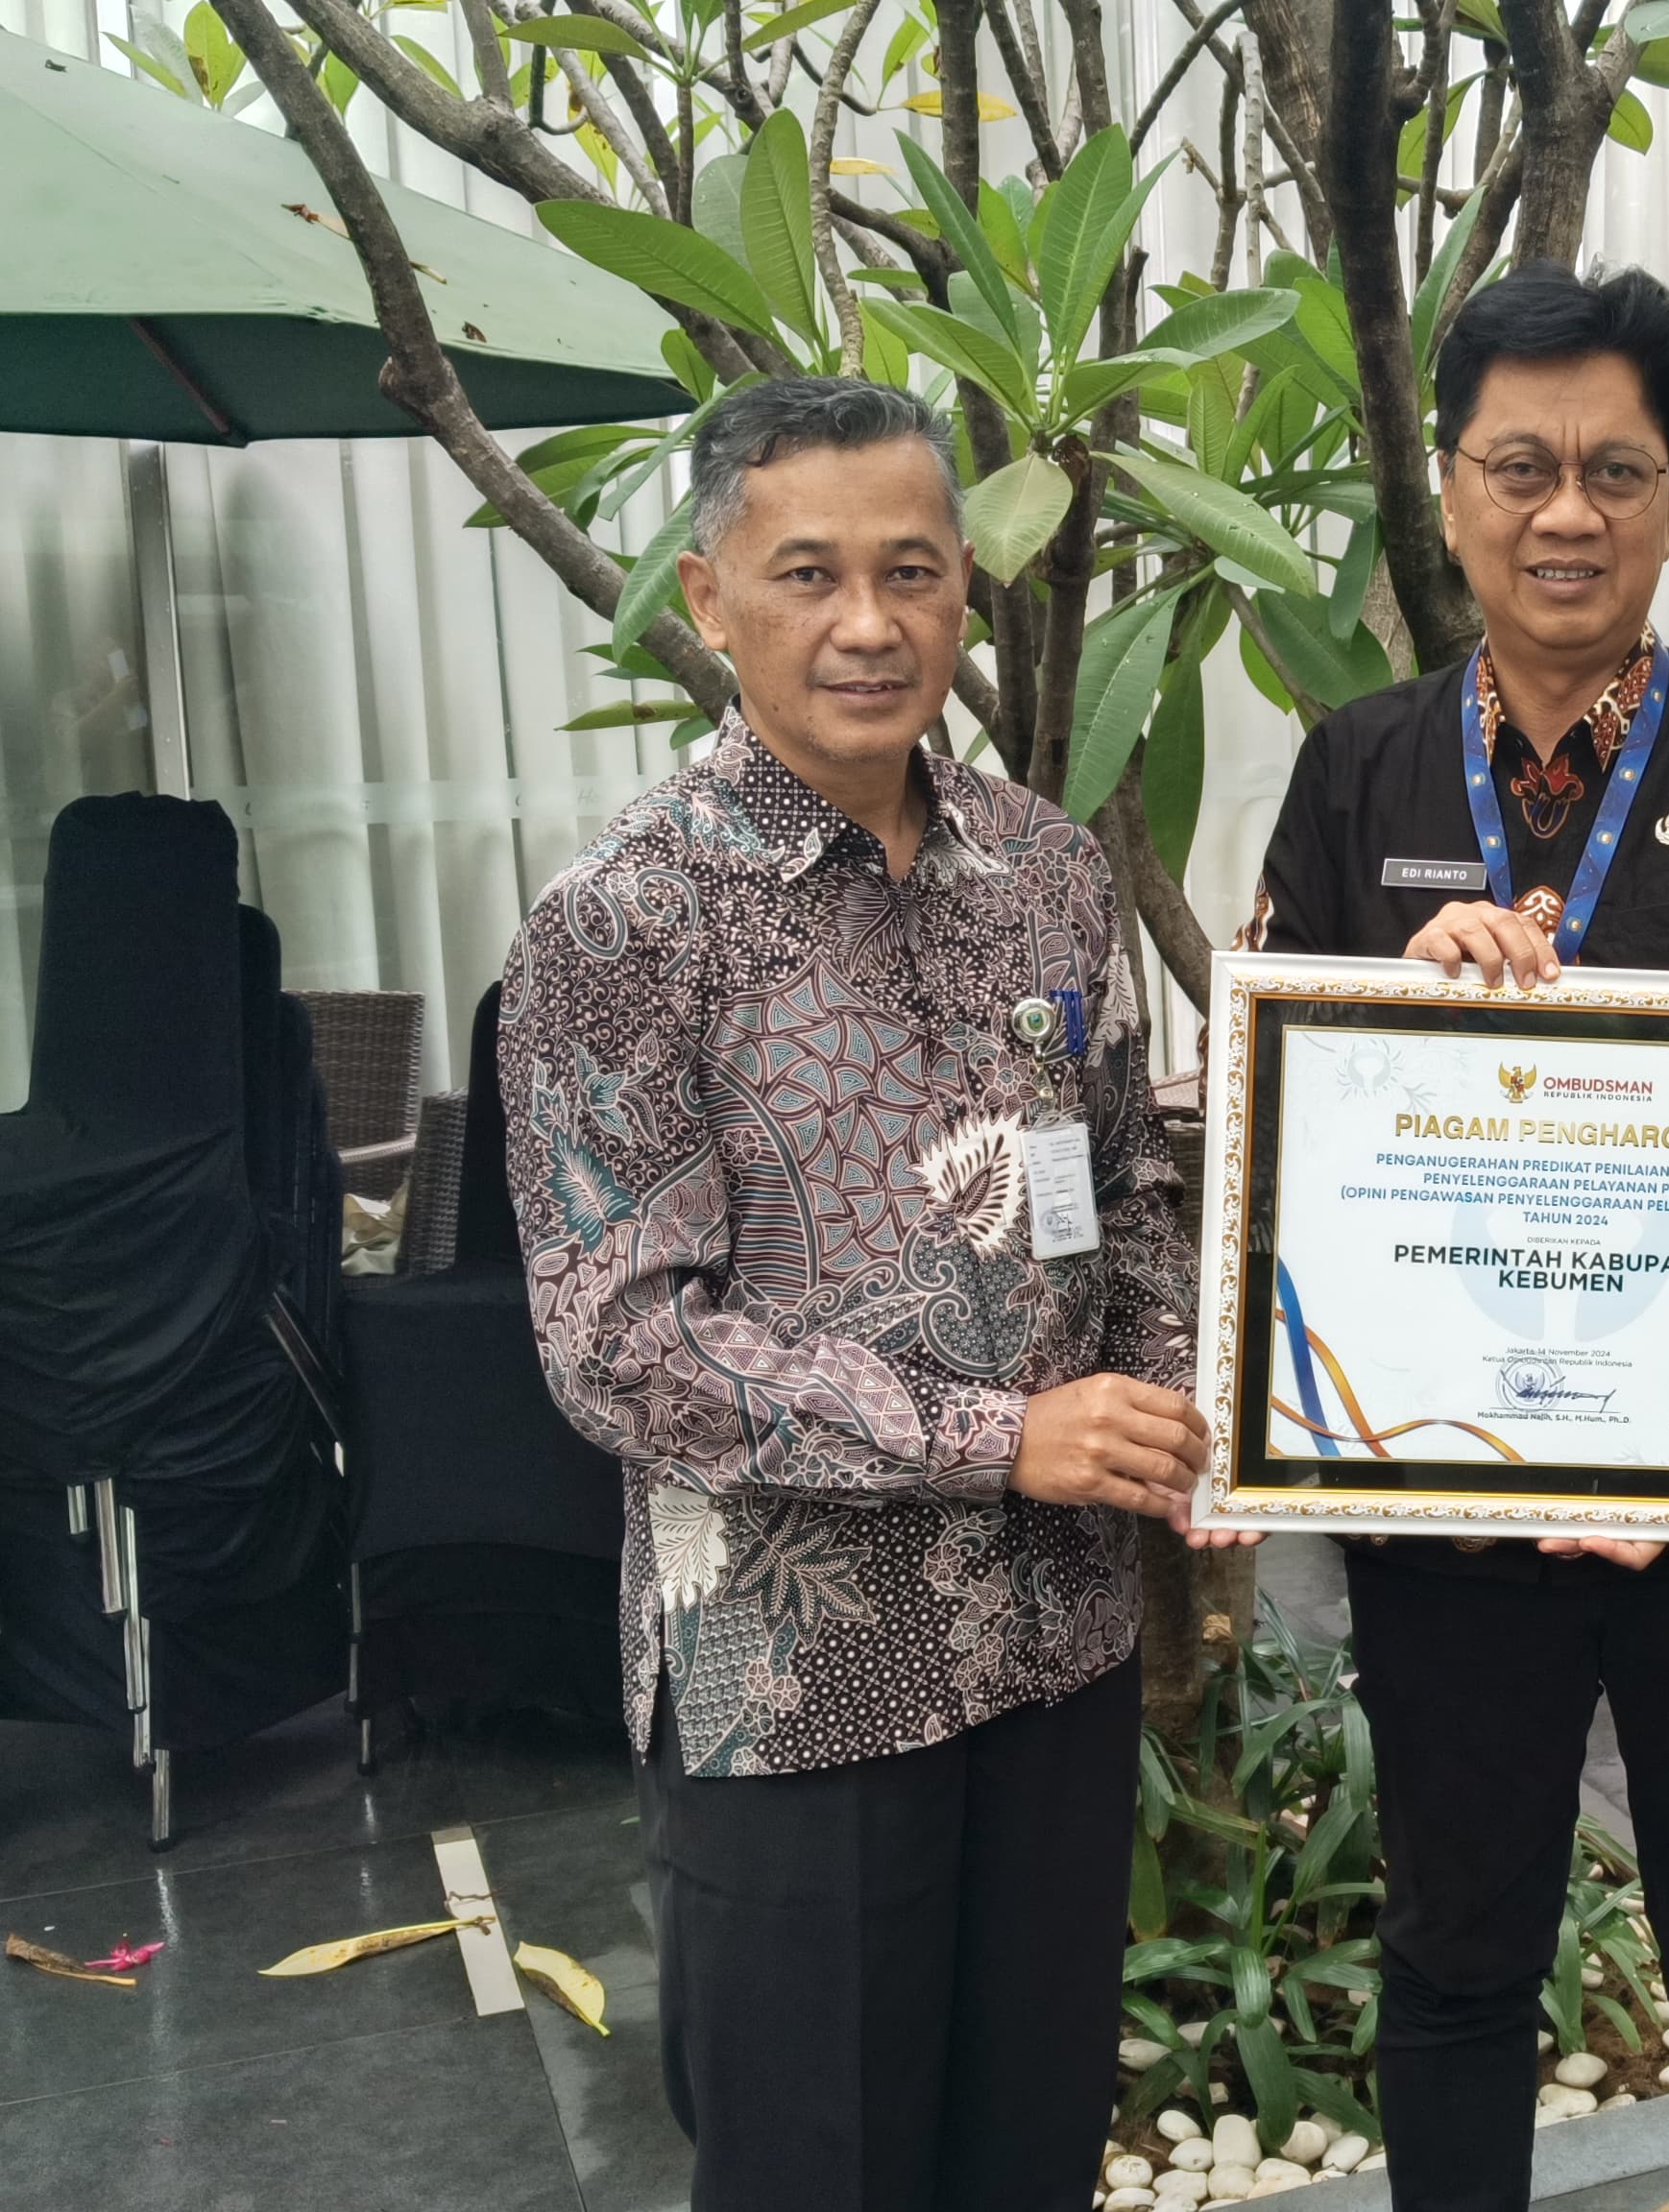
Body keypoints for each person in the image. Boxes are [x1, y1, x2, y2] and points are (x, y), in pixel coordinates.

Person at [1241, 263, 1669, 2212]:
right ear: (1449, 490)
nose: (1566, 513)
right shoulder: (1357, 768)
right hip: (1446, 1510)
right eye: (1518, 465)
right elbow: (1277, 1127)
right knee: (1458, 1950)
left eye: (1615, 469)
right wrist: (1393, 994)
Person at [499, 375, 1208, 2212]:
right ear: (709, 596)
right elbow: (619, 1346)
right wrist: (1001, 1437)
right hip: (799, 1689)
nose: (868, 624)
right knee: (818, 2169)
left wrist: (1174, 1404)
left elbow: (1125, 1181)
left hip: (1054, 1647)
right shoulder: (623, 922)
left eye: (910, 570)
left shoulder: (1046, 874)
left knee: (1029, 2153)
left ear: (968, 585)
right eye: (807, 573)